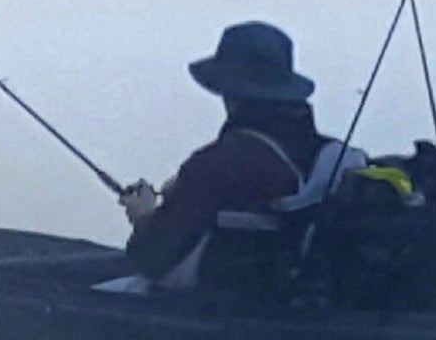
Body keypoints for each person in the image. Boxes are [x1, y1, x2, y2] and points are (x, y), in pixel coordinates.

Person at [115, 21, 344, 289]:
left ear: (228, 92)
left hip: (215, 301)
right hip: (292, 290)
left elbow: (150, 258)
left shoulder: (215, 165)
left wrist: (144, 216)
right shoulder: (334, 155)